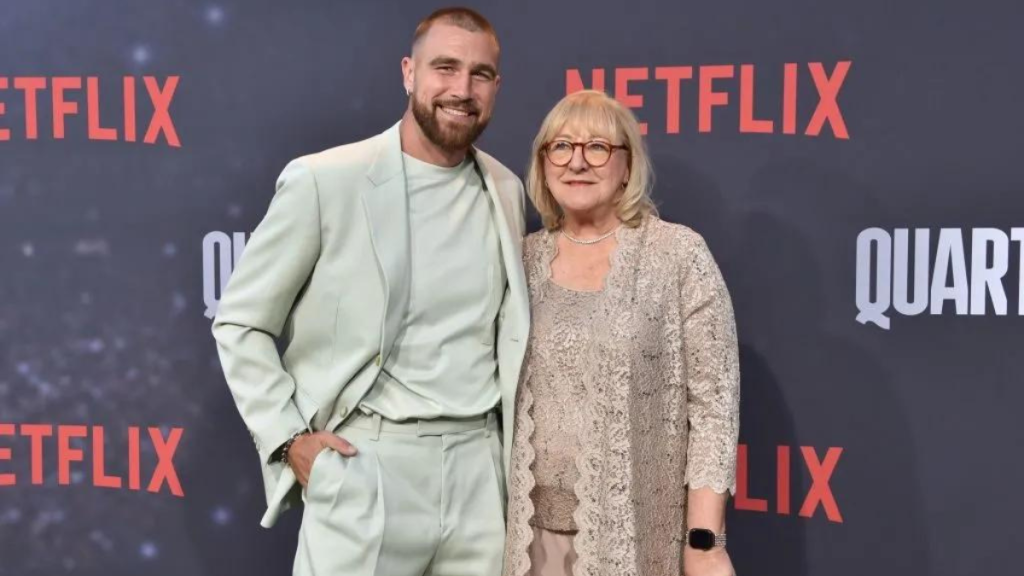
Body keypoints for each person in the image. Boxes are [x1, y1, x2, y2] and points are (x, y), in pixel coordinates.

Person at [212, 8, 529, 576]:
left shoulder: (506, 187)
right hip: (367, 467)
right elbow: (240, 322)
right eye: (445, 68)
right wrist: (290, 441)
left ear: (496, 87)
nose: (462, 89)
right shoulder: (325, 180)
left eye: (480, 74)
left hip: (480, 477)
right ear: (409, 73)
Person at [502, 90, 740, 576]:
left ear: (627, 165)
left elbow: (714, 408)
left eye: (598, 148)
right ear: (544, 164)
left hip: (636, 536)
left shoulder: (678, 256)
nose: (578, 162)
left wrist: (704, 541)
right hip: (525, 541)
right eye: (562, 147)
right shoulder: (519, 259)